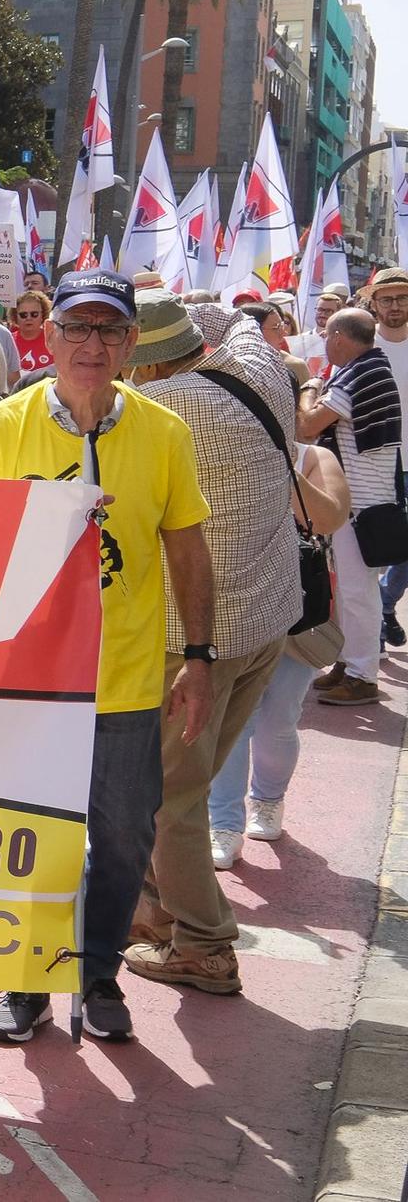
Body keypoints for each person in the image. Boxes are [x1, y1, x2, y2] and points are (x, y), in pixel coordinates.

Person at [0, 269, 213, 1044]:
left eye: (109, 330)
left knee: (127, 833)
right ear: (50, 337)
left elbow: (188, 547)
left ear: (132, 343)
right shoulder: (2, 426)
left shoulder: (164, 433)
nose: (92, 346)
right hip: (26, 680)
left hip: (126, 679)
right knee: (29, 831)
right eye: (77, 329)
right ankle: (28, 976)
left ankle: (97, 971)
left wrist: (197, 658)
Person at [116, 294, 303, 996]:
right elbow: (241, 321)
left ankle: (204, 944)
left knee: (167, 801)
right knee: (186, 790)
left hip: (192, 638)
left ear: (148, 363)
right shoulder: (262, 368)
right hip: (267, 619)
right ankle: (158, 910)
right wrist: (178, 305)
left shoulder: (161, 413)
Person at [207, 440, 350, 865]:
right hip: (237, 603)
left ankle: (268, 800)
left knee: (279, 717)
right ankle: (224, 823)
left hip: (299, 610)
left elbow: (329, 520)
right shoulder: (226, 444)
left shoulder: (315, 457)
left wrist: (282, 465)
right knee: (235, 718)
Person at [297, 309, 402, 707]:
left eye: (327, 334)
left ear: (340, 336)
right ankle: (349, 661)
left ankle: (363, 675)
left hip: (361, 504)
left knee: (358, 592)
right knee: (351, 592)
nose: (324, 341)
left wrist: (308, 388)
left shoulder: (360, 372)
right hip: (359, 499)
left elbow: (308, 425)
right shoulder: (363, 369)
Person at [362, 269, 408, 647]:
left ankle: (384, 603)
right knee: (375, 548)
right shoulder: (364, 345)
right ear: (373, 303)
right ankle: (373, 624)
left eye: (402, 298)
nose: (395, 306)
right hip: (376, 464)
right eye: (387, 299)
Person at [8, 289, 54, 376]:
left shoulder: (53, 341)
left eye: (34, 314)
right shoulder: (8, 340)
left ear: (42, 315)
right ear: (15, 316)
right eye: (23, 315)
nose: (28, 318)